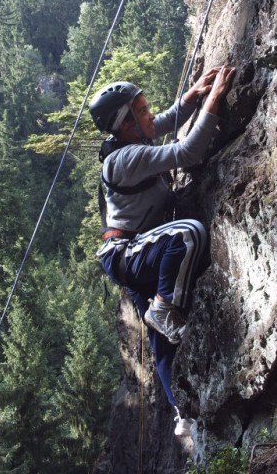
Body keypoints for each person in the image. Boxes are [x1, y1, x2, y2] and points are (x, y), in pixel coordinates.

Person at [89, 65, 235, 435]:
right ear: (125, 124)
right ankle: (164, 308)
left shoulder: (129, 141)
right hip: (130, 252)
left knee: (162, 344)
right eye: (142, 111)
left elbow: (162, 122)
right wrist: (214, 99)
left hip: (132, 255)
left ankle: (182, 413)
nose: (150, 114)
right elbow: (188, 151)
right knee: (188, 235)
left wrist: (191, 97)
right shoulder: (125, 159)